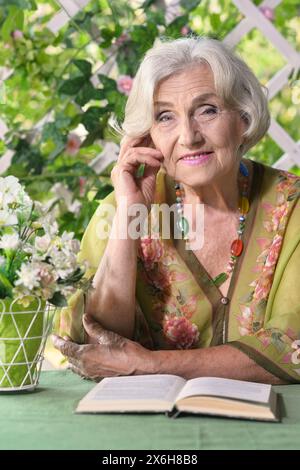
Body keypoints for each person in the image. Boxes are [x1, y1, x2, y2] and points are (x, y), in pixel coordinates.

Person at [52, 36, 300, 384]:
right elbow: (94, 341)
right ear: (147, 137)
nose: (188, 136)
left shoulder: (293, 209)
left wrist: (149, 364)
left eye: (207, 110)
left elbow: (292, 345)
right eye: (165, 117)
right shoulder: (121, 208)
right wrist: (129, 218)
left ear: (244, 119)